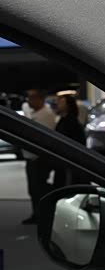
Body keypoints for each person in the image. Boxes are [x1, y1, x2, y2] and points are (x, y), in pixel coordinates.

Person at [22, 89, 57, 224]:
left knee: (38, 187)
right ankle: (38, 213)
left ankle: (43, 214)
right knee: (34, 188)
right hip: (32, 157)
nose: (29, 101)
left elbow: (43, 139)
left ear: (39, 99)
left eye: (31, 98)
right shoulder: (36, 113)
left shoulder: (46, 115)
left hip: (39, 158)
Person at [53, 93, 87, 189]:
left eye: (61, 102)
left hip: (69, 162)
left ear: (68, 105)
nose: (58, 104)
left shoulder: (71, 121)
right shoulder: (63, 120)